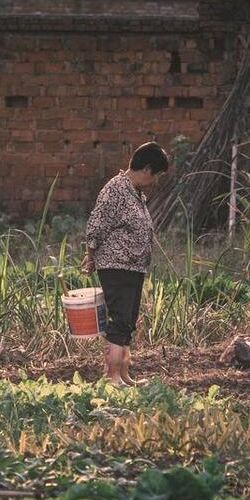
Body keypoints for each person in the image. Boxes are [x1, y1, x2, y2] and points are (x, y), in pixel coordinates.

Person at [81, 141, 170, 386]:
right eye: (156, 175)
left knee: (128, 320)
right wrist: (90, 256)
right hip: (116, 265)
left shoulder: (134, 192)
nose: (154, 182)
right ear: (147, 169)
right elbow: (96, 226)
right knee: (119, 319)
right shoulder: (116, 190)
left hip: (133, 266)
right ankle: (112, 378)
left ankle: (124, 375)